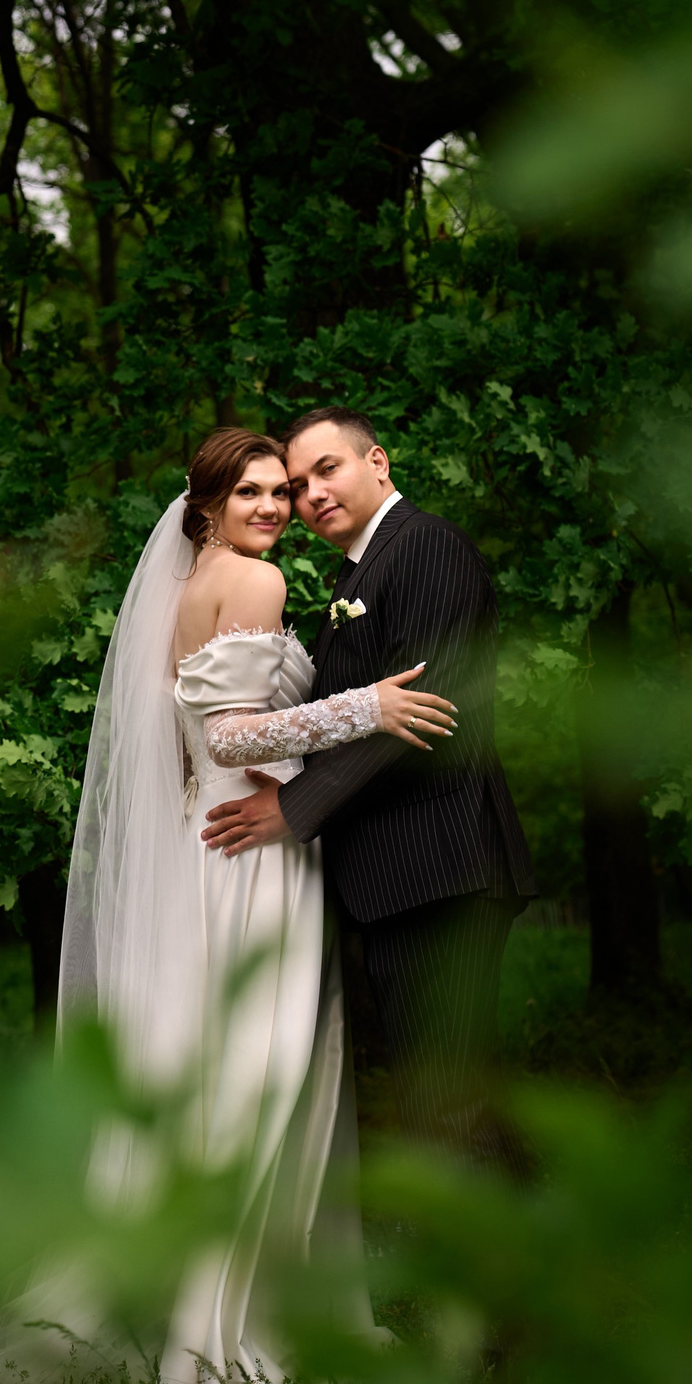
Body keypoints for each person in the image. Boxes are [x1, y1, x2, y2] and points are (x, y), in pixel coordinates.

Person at [0, 428, 452, 1384]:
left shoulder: (192, 586)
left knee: (219, 1070)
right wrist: (365, 709)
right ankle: (227, 1317)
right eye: (250, 491)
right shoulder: (256, 581)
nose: (272, 506)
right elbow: (230, 737)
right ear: (206, 504)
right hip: (253, 853)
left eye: (280, 490)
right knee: (260, 1073)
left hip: (210, 842)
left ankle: (184, 1286)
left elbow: (196, 737)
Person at [196, 407, 536, 1156]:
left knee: (448, 1103)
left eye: (328, 469)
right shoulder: (357, 572)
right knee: (442, 1097)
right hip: (399, 874)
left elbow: (431, 708)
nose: (311, 493)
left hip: (441, 863)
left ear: (377, 462)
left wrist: (294, 804)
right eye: (297, 484)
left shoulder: (425, 546)